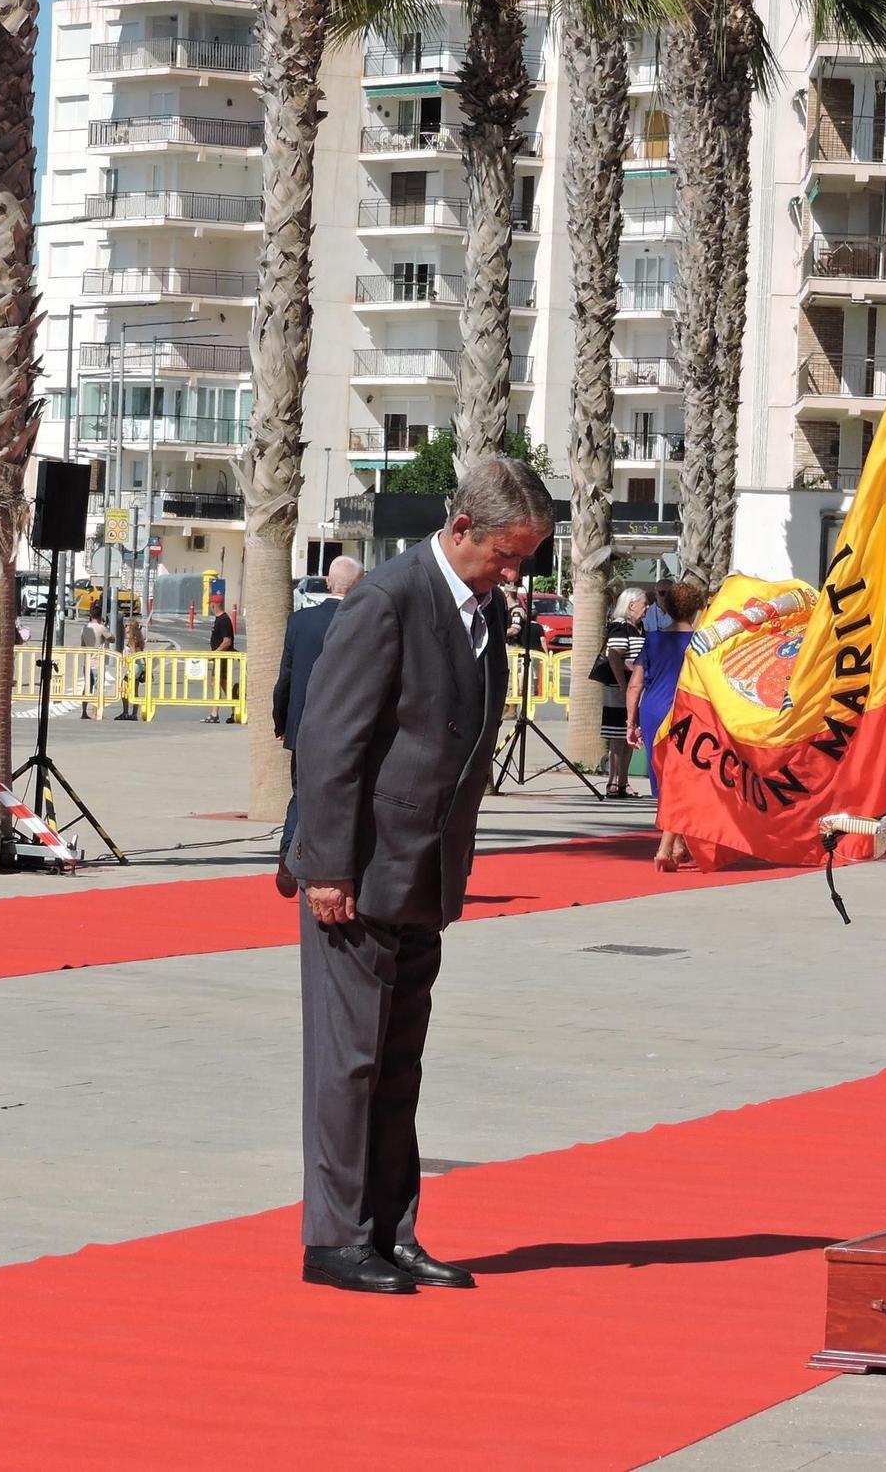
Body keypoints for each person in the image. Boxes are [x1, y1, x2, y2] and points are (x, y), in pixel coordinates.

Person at [287, 455, 551, 1294]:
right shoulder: (387, 600)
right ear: (462, 528)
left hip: (422, 873)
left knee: (399, 1063)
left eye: (526, 558)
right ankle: (334, 1239)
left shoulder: (478, 609)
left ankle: (392, 1232)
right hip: (358, 872)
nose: (514, 573)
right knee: (350, 1061)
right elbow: (331, 744)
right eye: (507, 555)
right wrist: (327, 867)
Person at [273, 557, 363, 896]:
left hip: (303, 727)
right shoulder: (362, 621)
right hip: (348, 728)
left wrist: (282, 721)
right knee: (343, 798)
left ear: (328, 583)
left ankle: (287, 855)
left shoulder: (301, 621)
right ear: (359, 586)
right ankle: (332, 866)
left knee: (301, 794)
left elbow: (286, 677)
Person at [626, 580, 707, 869]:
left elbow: (635, 684)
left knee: (663, 780)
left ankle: (677, 845)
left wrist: (631, 722)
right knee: (684, 779)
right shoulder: (702, 643)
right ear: (697, 607)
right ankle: (667, 847)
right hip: (688, 712)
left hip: (653, 711)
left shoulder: (653, 639)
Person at [600, 587, 648, 796]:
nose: (647, 608)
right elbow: (614, 657)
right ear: (631, 606)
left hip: (634, 688)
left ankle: (623, 780)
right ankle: (613, 781)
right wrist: (622, 685)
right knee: (617, 737)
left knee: (629, 736)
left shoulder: (640, 628)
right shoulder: (620, 627)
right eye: (644, 604)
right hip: (621, 688)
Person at [204, 593, 238, 723]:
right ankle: (235, 711)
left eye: (210, 605)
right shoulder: (220, 619)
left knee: (216, 683)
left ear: (214, 605)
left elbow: (227, 641)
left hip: (222, 657)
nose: (210, 607)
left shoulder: (223, 620)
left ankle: (215, 714)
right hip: (220, 657)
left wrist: (215, 653)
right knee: (223, 684)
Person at [116, 616, 148, 722]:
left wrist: (127, 657)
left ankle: (125, 712)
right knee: (135, 691)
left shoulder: (132, 639)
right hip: (139, 666)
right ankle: (134, 714)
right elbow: (140, 652)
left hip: (134, 666)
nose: (125, 628)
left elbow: (134, 653)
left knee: (123, 688)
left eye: (126, 626)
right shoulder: (139, 637)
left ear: (131, 627)